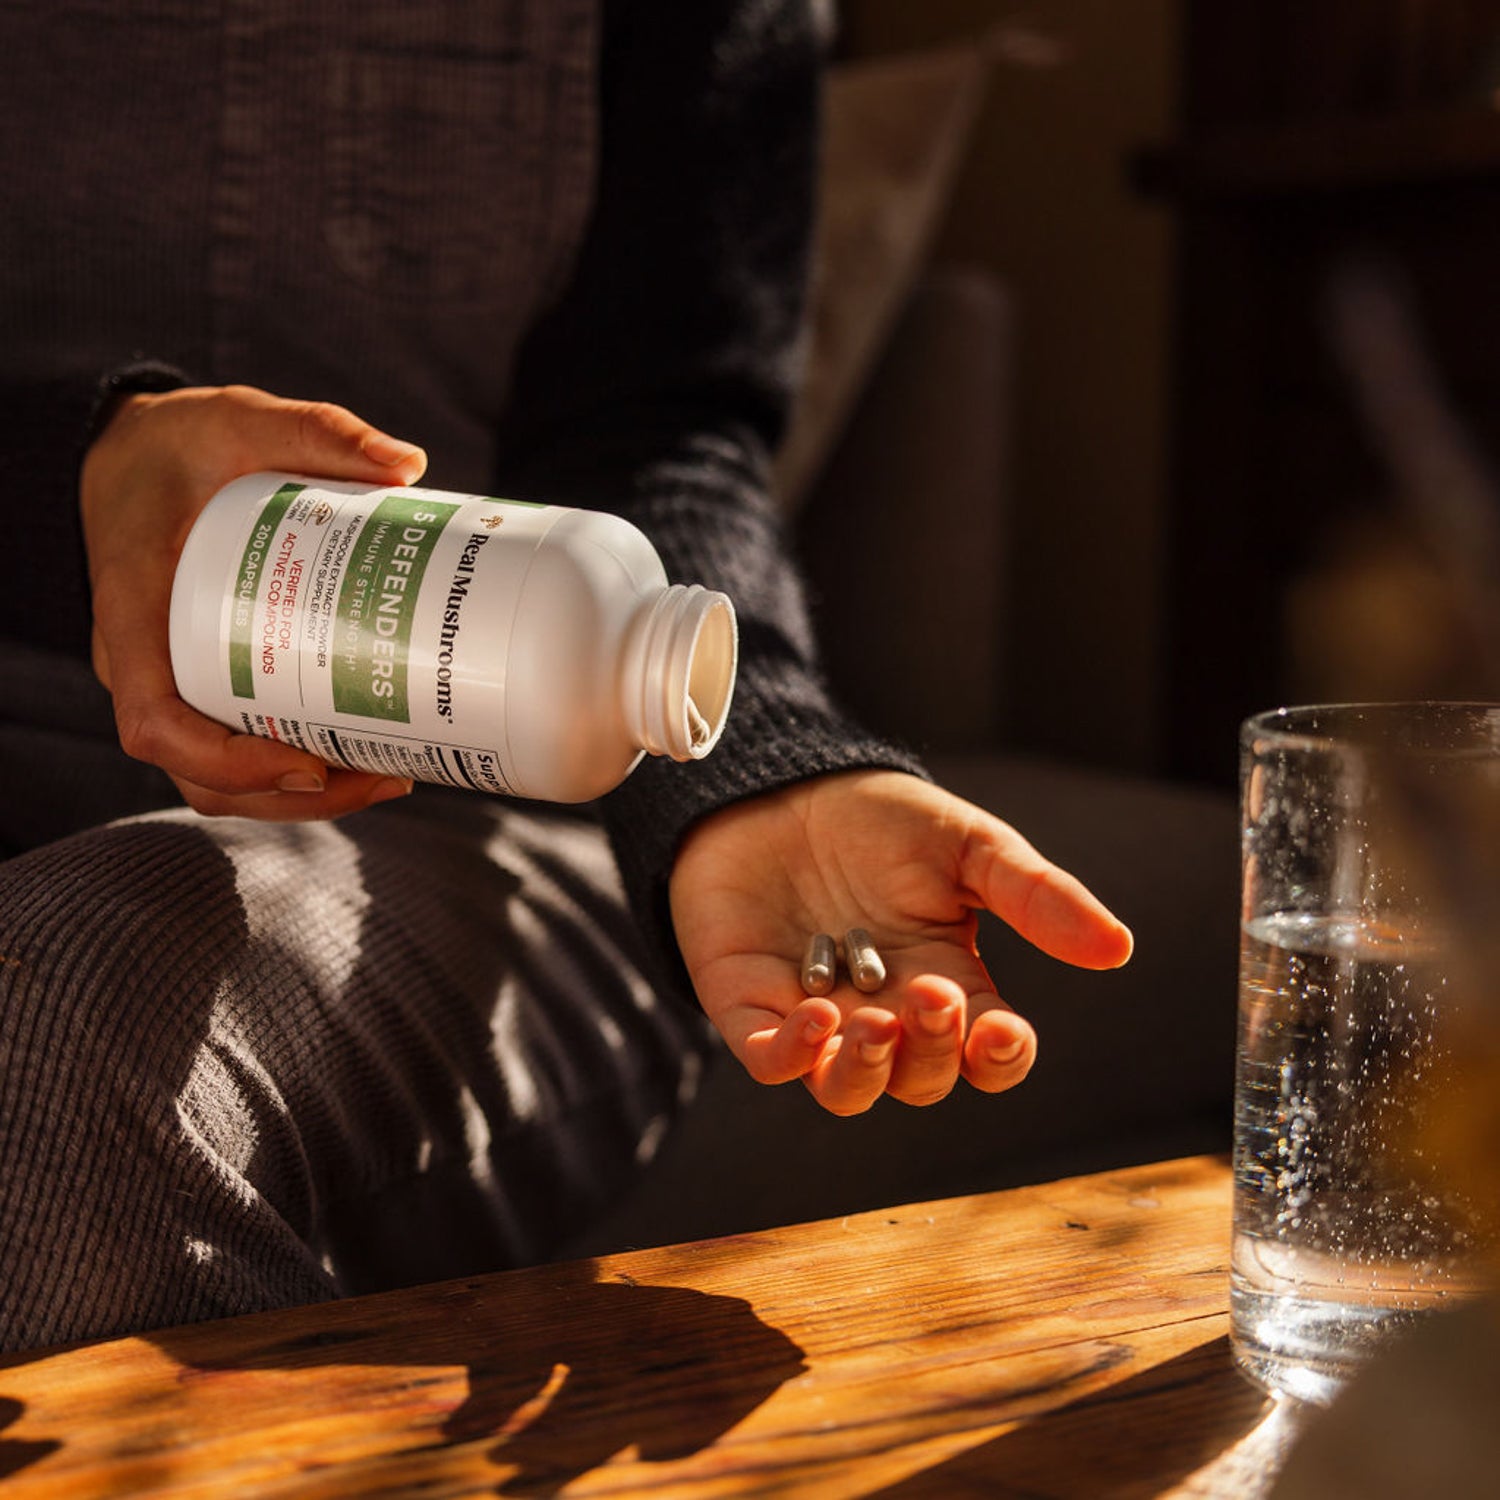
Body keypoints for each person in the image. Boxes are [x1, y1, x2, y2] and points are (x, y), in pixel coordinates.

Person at [0, 0, 1130, 1353]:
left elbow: (664, 431)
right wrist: (69, 478)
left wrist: (748, 765)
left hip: (438, 821)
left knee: (62, 1008)